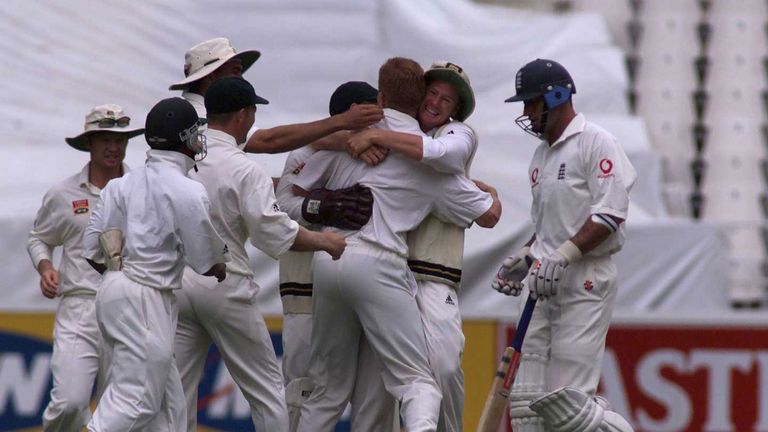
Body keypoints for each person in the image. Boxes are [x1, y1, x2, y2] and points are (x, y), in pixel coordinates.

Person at [292, 57, 501, 432]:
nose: (436, 103)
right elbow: (487, 214)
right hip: (383, 269)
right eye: (432, 93)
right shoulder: (411, 159)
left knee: (331, 389)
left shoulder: (382, 136)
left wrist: (352, 138)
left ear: (381, 94)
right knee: (417, 381)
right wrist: (490, 197)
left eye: (446, 100)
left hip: (337, 261)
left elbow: (288, 181)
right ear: (418, 94)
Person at [173, 76, 347, 432]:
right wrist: (325, 242)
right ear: (241, 115)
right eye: (253, 112)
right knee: (267, 391)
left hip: (177, 284)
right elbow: (273, 233)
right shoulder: (243, 168)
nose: (253, 120)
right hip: (224, 283)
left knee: (176, 390)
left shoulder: (185, 160)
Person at [494, 58, 636, 431]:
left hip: (584, 280)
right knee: (527, 408)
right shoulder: (541, 156)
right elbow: (547, 226)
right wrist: (528, 254)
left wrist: (563, 255)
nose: (526, 113)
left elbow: (610, 215)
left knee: (567, 405)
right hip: (542, 284)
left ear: (556, 96)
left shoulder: (597, 142)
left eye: (530, 103)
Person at [82, 97, 229, 432]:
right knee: (139, 400)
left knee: (170, 408)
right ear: (186, 137)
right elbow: (208, 264)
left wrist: (123, 280)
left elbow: (91, 250)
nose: (199, 140)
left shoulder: (119, 186)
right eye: (196, 133)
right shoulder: (188, 190)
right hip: (147, 297)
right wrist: (221, 265)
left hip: (115, 290)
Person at [275, 80, 396, 432]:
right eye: (370, 113)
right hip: (305, 293)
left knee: (376, 397)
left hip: (369, 287)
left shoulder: (381, 153)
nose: (379, 122)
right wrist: (322, 205)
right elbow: (282, 207)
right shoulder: (306, 152)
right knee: (305, 388)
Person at [26, 105, 143, 432]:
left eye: (120, 139)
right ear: (89, 143)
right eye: (104, 139)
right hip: (80, 307)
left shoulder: (142, 189)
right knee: (70, 402)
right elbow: (39, 238)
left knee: (117, 412)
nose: (113, 147)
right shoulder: (64, 194)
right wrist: (46, 266)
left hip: (130, 309)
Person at [170, 37, 383, 154]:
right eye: (235, 72)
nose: (241, 79)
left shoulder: (187, 110)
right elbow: (270, 141)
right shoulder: (195, 116)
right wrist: (343, 121)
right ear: (211, 77)